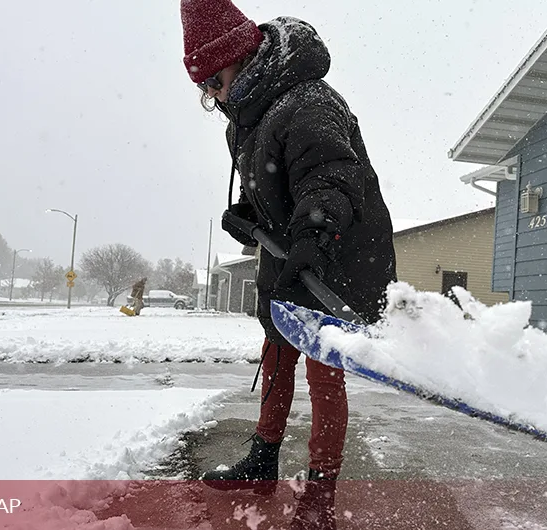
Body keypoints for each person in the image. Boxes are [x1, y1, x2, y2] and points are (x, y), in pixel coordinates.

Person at [180, 1, 397, 528]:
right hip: (288, 259)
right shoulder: (247, 124)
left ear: (239, 55)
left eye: (213, 78)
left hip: (337, 260)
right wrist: (247, 216)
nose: (213, 93)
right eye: (203, 89)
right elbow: (279, 187)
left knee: (324, 374)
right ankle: (263, 460)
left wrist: (317, 227)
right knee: (276, 356)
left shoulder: (307, 101)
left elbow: (328, 175)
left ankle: (320, 496)